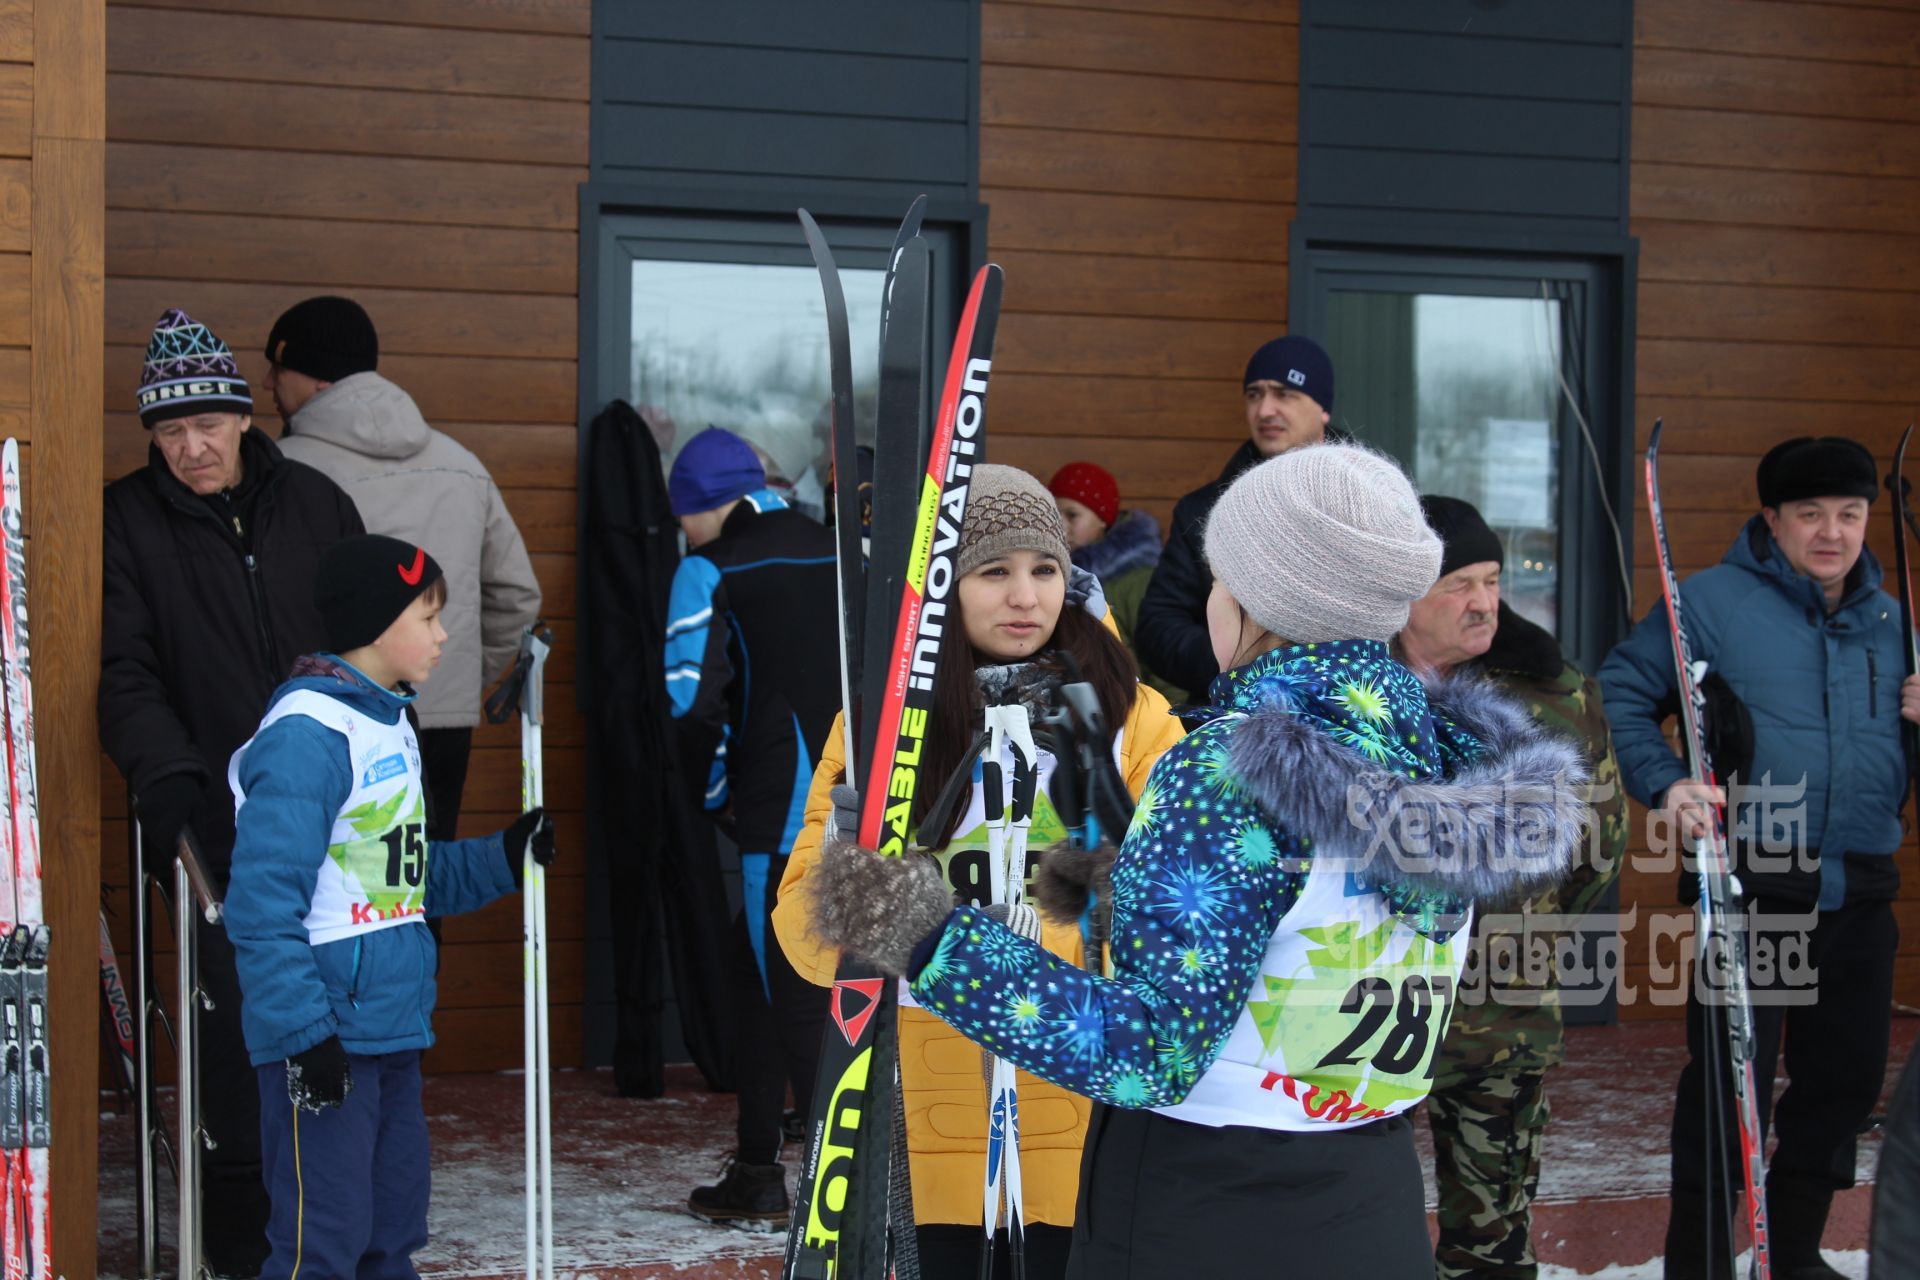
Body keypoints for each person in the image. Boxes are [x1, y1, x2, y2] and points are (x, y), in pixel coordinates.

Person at [799, 443, 1590, 1277]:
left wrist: (929, 936)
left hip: (1208, 1207)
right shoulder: (1435, 755)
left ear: (1256, 601)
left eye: (1219, 579)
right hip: (1371, 1193)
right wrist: (1113, 873)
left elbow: (1151, 1054)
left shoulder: (1235, 770)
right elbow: (1298, 944)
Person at [773, 464, 1184, 1278]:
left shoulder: (1133, 718)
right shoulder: (879, 725)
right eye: (992, 572)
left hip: (1085, 1129)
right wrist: (842, 871)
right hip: (930, 1134)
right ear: (941, 592)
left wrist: (1037, 945)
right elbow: (804, 942)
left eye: (1045, 570)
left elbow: (1174, 933)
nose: (1025, 597)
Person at [1598, 436, 1918, 1280]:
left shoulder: (1895, 619)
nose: (1832, 533)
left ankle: (1797, 1250)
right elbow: (1625, 689)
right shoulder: (1708, 603)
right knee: (1728, 1096)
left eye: (1849, 515)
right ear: (1772, 520)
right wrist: (1665, 782)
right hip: (1757, 890)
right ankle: (1698, 1263)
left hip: (1862, 888)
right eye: (1810, 515)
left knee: (1843, 1091)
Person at [99, 307, 365, 1276]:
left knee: (344, 1005)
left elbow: (368, 647)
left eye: (206, 424)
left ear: (245, 417)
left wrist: (378, 764)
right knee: (234, 1023)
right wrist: (162, 771)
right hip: (212, 820)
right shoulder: (124, 517)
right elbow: (122, 665)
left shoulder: (320, 504)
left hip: (332, 810)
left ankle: (337, 1220)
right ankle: (243, 1235)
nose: (190, 447)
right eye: (169, 431)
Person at [223, 534, 556, 1279]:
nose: (443, 635)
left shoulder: (389, 721)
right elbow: (261, 900)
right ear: (378, 625)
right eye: (428, 616)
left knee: (392, 1226)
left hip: (390, 1027)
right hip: (324, 1030)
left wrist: (503, 857)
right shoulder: (311, 733)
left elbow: (399, 879)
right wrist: (304, 1034)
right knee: (324, 1237)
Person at [1401, 496, 1628, 1280]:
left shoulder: (1554, 693)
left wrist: (1516, 929)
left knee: (1491, 1244)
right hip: (1368, 1013)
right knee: (1365, 1229)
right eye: (1456, 583)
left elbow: (1597, 852)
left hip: (1501, 1014)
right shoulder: (1350, 695)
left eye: (1492, 580)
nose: (1482, 602)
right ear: (1401, 592)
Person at [265, 295, 542, 841]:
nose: (270, 382)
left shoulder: (281, 472)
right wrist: (456, 672)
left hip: (329, 717)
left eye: (278, 368)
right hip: (442, 718)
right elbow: (516, 594)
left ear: (315, 378)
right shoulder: (462, 464)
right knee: (426, 881)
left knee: (335, 892)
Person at [663, 426, 839, 1230]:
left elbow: (689, 705)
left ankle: (845, 1199)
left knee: (797, 993)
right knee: (754, 974)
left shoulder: (709, 567)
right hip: (867, 792)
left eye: (684, 515)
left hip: (779, 806)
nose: (682, 530)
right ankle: (759, 1166)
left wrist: (710, 800)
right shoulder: (842, 550)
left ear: (706, 506)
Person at [1134, 334, 1335, 702]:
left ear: (1323, 407)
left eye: (1284, 393)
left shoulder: (1369, 504)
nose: (1264, 410)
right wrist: (1244, 665)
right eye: (1254, 394)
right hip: (1234, 725)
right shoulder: (1203, 511)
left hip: (1360, 715)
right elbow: (1158, 626)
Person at [1047, 461, 1176, 700]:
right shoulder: (1049, 578)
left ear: (1103, 519)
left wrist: (1169, 720)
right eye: (1055, 514)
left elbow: (1164, 662)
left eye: (1072, 515)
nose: (1061, 526)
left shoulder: (1138, 581)